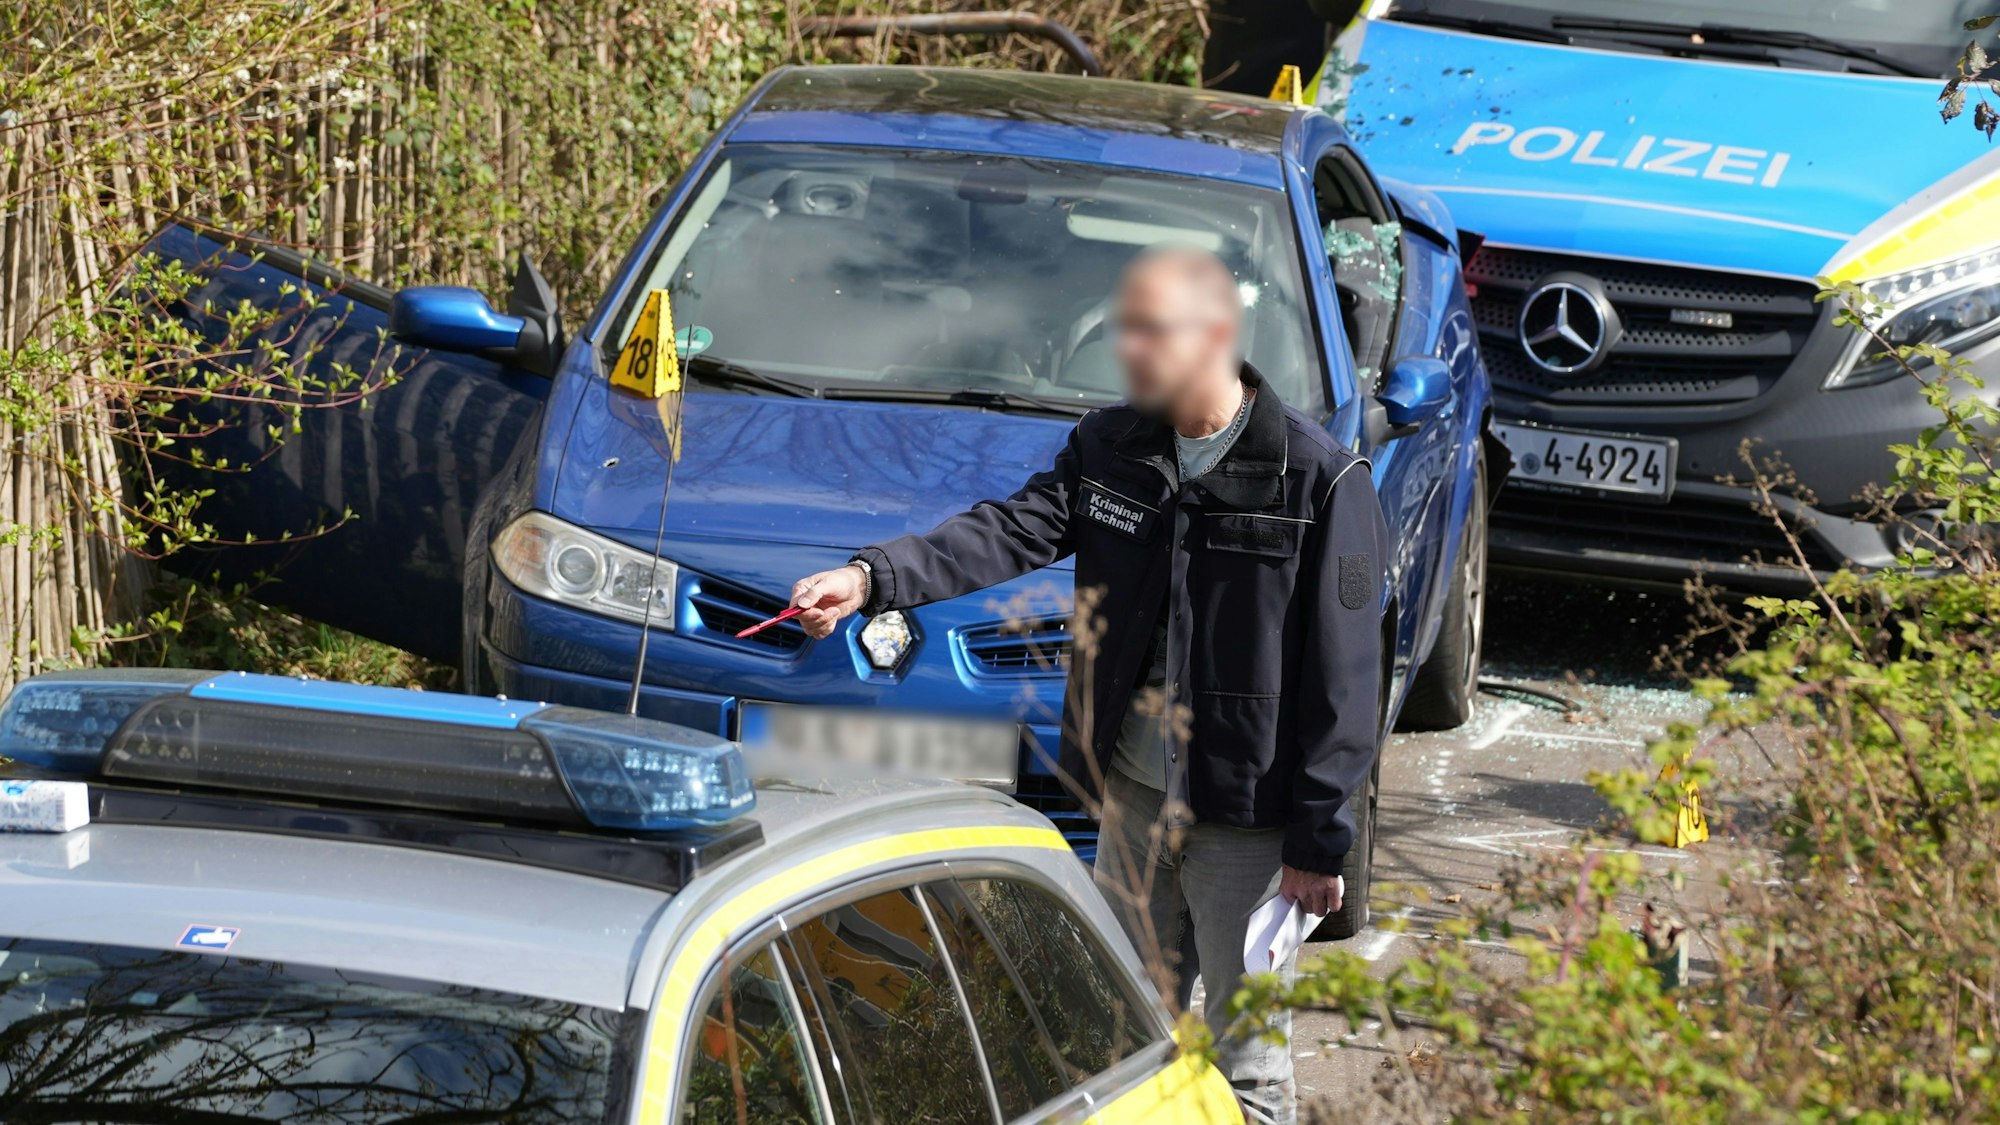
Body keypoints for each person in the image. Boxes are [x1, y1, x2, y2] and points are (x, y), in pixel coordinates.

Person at [787, 246, 1387, 1124]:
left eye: (1154, 333)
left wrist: (1320, 840)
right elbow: (1005, 531)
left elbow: (1348, 681)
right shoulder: (1112, 448)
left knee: (1247, 1066)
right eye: (1127, 333)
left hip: (1248, 830)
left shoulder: (1320, 479)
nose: (1133, 353)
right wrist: (871, 578)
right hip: (1135, 800)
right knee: (1122, 1039)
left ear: (1218, 336)